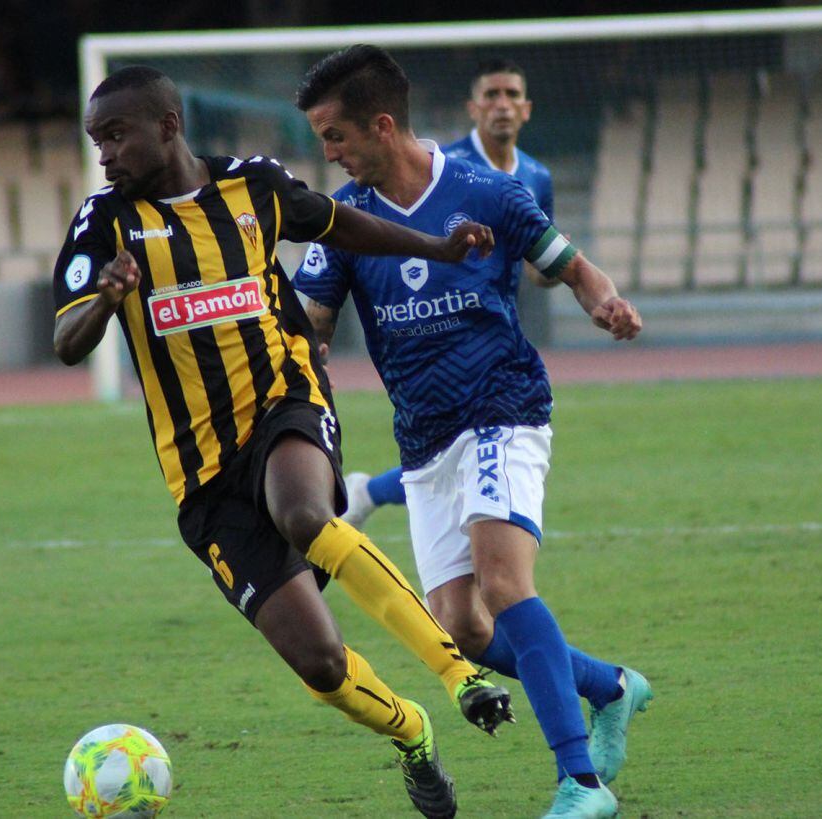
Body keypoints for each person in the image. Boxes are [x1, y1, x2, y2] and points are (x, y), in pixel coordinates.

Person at [52, 65, 514, 819]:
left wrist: (436, 248)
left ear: (167, 126)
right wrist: (106, 298)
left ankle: (458, 674)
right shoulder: (102, 223)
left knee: (302, 511)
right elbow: (67, 341)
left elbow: (337, 222)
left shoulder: (254, 186)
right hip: (202, 474)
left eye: (115, 135)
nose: (103, 153)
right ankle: (414, 732)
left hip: (285, 399)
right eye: (95, 140)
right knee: (323, 662)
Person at [293, 46, 652, 818]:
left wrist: (604, 302)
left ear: (381, 125)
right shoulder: (344, 221)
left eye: (335, 135)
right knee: (462, 624)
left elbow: (572, 264)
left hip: (503, 408)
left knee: (502, 582)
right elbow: (309, 319)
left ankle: (582, 782)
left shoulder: (487, 193)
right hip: (424, 440)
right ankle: (612, 687)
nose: (328, 153)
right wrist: (305, 351)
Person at [342, 58, 558, 529]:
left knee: (470, 446)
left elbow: (541, 265)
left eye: (512, 95)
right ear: (473, 108)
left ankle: (367, 492)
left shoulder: (536, 176)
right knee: (451, 448)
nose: (502, 105)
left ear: (527, 109)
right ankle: (367, 492)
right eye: (491, 95)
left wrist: (563, 272)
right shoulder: (450, 170)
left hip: (491, 328)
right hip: (424, 327)